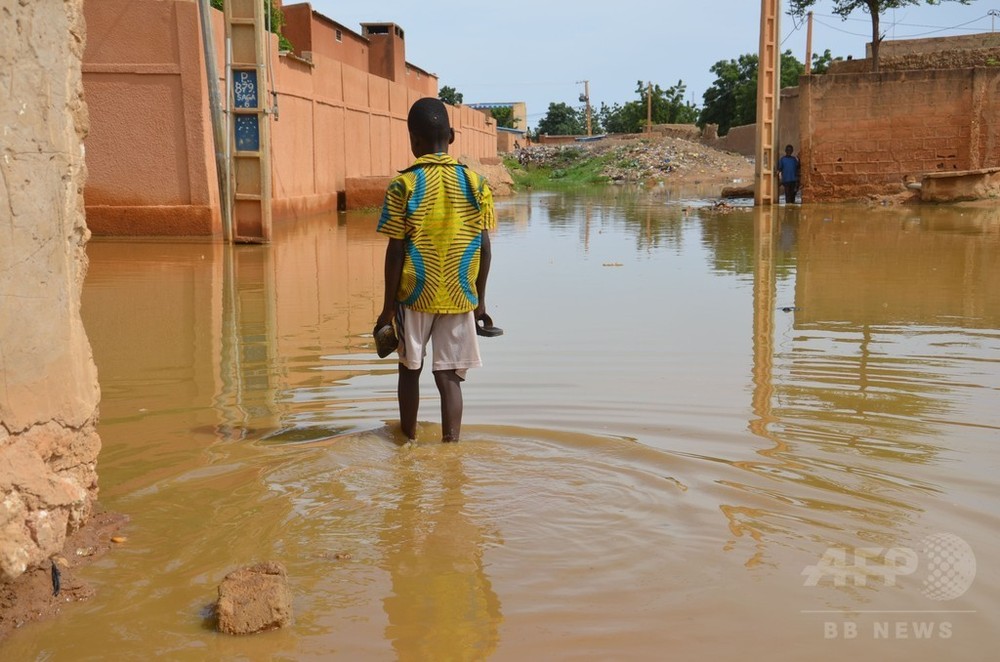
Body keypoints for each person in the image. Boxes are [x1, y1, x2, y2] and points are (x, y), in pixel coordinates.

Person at [375, 97, 497, 442]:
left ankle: (407, 442)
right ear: (453, 136)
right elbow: (484, 248)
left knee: (409, 369)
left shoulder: (404, 185)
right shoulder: (477, 184)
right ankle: (451, 447)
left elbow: (395, 250)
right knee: (449, 378)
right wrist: (480, 302)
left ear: (413, 140)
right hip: (460, 294)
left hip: (415, 294)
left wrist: (387, 309)